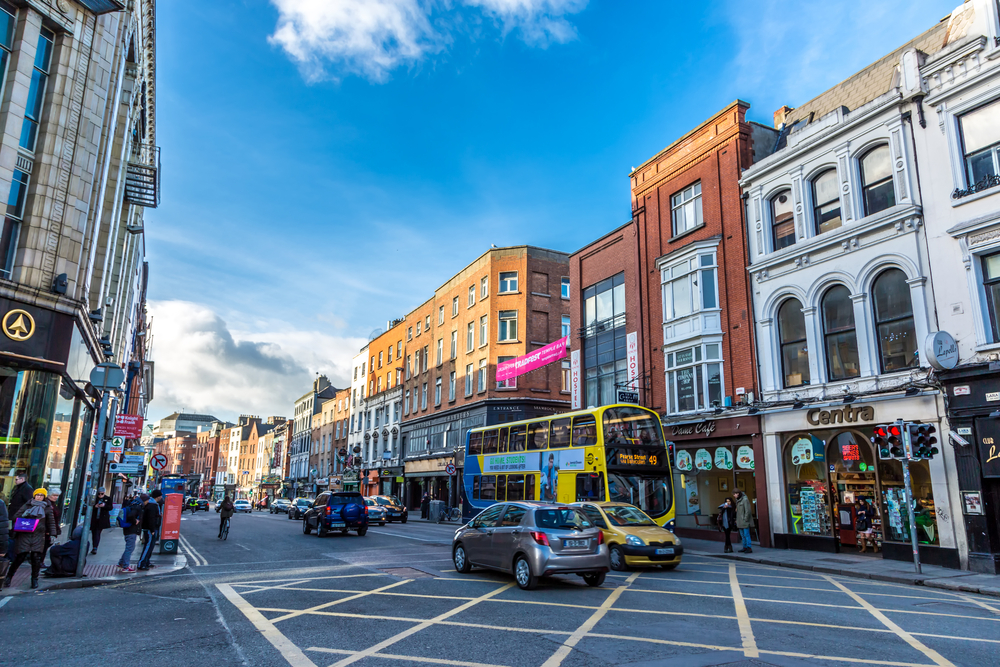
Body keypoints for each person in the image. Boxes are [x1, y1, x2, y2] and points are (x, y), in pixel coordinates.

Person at [5, 488, 56, 589]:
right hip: (25, 534)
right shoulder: (28, 505)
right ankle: (9, 577)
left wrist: (53, 534)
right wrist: (25, 515)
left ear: (44, 497)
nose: (39, 497)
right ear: (34, 496)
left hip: (38, 536)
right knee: (20, 557)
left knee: (36, 558)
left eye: (41, 495)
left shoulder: (47, 507)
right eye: (37, 495)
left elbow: (51, 521)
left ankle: (34, 579)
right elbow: (16, 516)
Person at [7, 472, 32, 559]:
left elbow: (28, 503)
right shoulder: (19, 488)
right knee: (11, 535)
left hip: (19, 517)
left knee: (13, 536)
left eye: (17, 479)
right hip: (14, 515)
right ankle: (10, 555)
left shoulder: (26, 489)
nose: (15, 481)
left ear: (22, 479)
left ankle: (11, 556)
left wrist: (22, 514)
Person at [137, 490, 162, 570]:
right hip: (150, 529)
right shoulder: (152, 505)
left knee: (150, 546)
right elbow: (150, 519)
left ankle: (146, 561)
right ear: (158, 496)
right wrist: (152, 530)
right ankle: (141, 563)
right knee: (148, 546)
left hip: (151, 528)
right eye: (160, 496)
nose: (161, 497)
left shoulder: (152, 504)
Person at [118, 494, 143, 572]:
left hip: (127, 530)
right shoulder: (137, 507)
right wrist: (136, 521)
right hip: (131, 530)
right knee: (130, 548)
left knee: (129, 548)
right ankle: (125, 566)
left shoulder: (132, 504)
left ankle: (121, 563)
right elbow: (131, 516)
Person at [90, 487, 112, 555]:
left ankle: (95, 547)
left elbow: (110, 507)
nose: (100, 495)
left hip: (102, 519)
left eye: (101, 494)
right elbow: (89, 506)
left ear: (104, 493)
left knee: (97, 532)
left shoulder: (108, 499)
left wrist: (104, 506)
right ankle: (94, 546)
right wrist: (95, 507)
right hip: (94, 518)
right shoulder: (94, 498)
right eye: (99, 494)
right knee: (94, 533)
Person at [735, 489, 753, 554]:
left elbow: (748, 511)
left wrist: (745, 519)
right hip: (740, 521)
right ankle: (744, 547)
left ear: (738, 493)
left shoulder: (745, 500)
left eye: (735, 494)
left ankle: (749, 547)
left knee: (746, 534)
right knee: (742, 535)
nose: (734, 495)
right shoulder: (738, 501)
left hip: (744, 521)